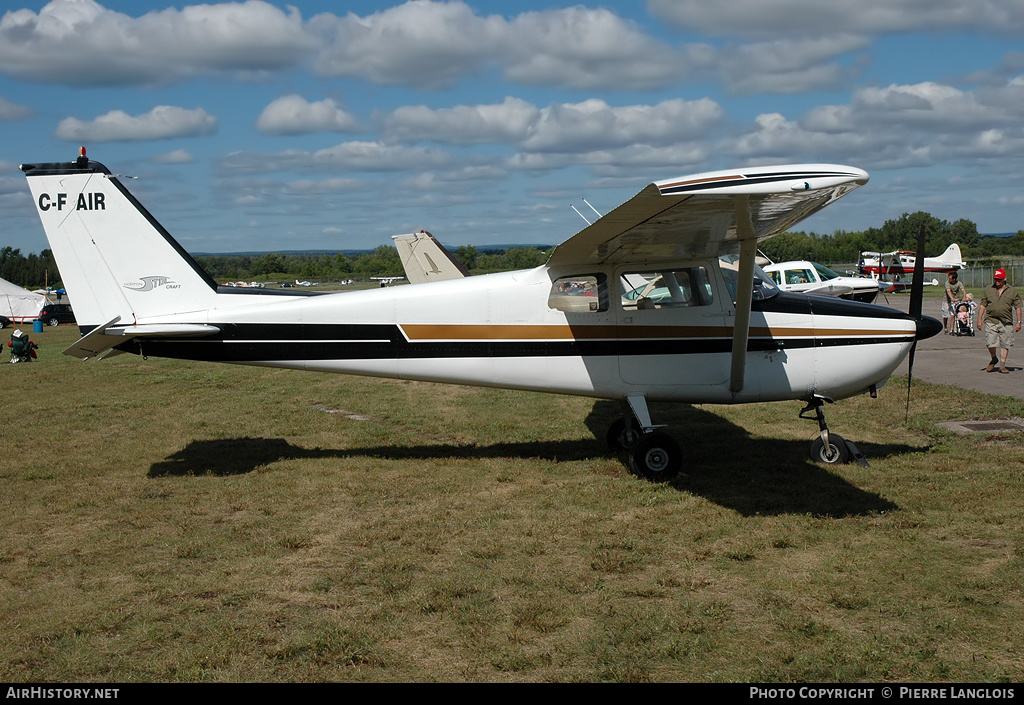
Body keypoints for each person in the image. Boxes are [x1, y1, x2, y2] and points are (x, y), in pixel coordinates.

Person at [977, 269, 1023, 374]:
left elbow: (1018, 307)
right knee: (990, 343)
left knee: (1005, 344)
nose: (997, 281)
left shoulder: (1013, 291)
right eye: (996, 279)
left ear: (1004, 279)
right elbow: (983, 305)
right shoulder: (988, 289)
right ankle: (994, 358)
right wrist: (979, 319)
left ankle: (1002, 365)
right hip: (991, 320)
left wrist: (1019, 322)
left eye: (999, 279)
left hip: (1006, 321)